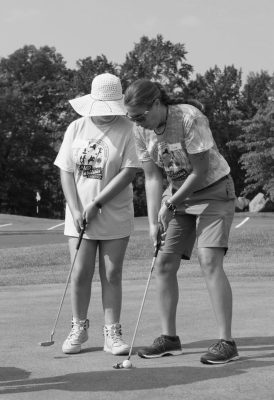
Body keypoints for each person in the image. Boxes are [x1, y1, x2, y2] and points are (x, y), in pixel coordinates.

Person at [124, 79, 239, 365]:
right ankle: (169, 339)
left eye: (140, 116)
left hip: (213, 190)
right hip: (177, 195)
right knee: (164, 263)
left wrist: (170, 203)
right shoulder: (141, 130)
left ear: (157, 104)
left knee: (209, 260)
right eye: (132, 118)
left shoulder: (189, 117)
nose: (138, 122)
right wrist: (153, 221)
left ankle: (227, 342)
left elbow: (200, 171)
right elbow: (152, 177)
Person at [54, 73, 140, 355]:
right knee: (80, 272)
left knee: (112, 273)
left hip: (113, 212)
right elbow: (66, 170)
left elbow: (129, 172)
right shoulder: (76, 127)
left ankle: (111, 332)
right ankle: (79, 326)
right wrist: (76, 208)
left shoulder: (129, 129)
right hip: (78, 214)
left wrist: (98, 203)